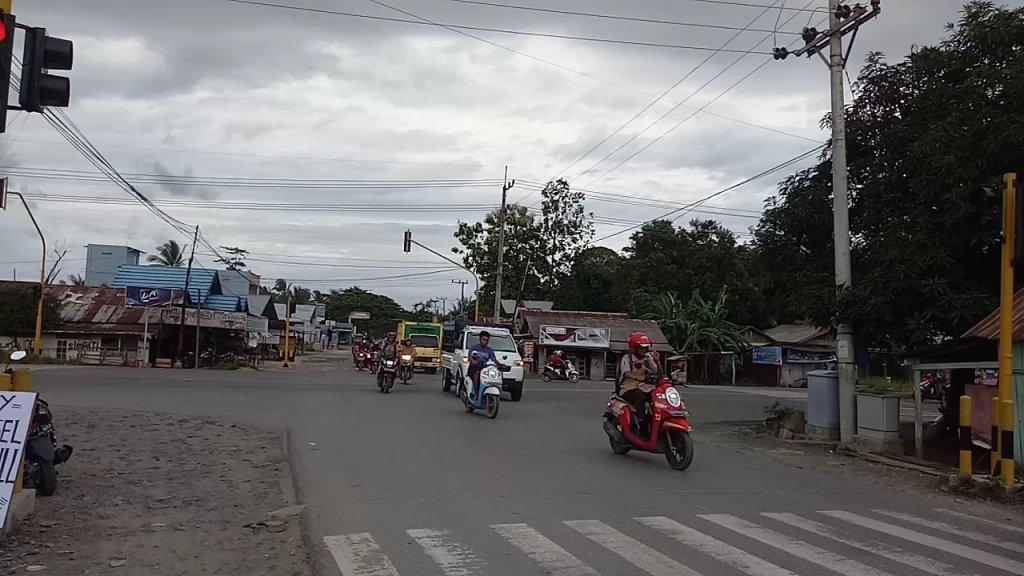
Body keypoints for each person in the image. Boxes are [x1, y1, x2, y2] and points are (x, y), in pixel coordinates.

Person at [617, 332, 660, 434]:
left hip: (645, 387)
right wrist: (638, 378)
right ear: (634, 347)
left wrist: (657, 361)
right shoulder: (627, 358)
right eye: (641, 348)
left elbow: (656, 371)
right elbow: (627, 373)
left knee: (657, 396)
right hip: (628, 388)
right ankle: (641, 422)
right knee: (639, 394)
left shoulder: (647, 358)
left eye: (645, 348)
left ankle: (656, 420)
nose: (644, 350)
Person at [466, 331, 500, 400]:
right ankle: (476, 393)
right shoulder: (474, 348)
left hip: (485, 369)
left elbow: (493, 359)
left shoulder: (490, 350)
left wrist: (500, 365)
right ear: (480, 339)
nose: (485, 342)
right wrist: (473, 361)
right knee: (477, 373)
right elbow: (470, 357)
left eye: (487, 340)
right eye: (484, 340)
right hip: (474, 368)